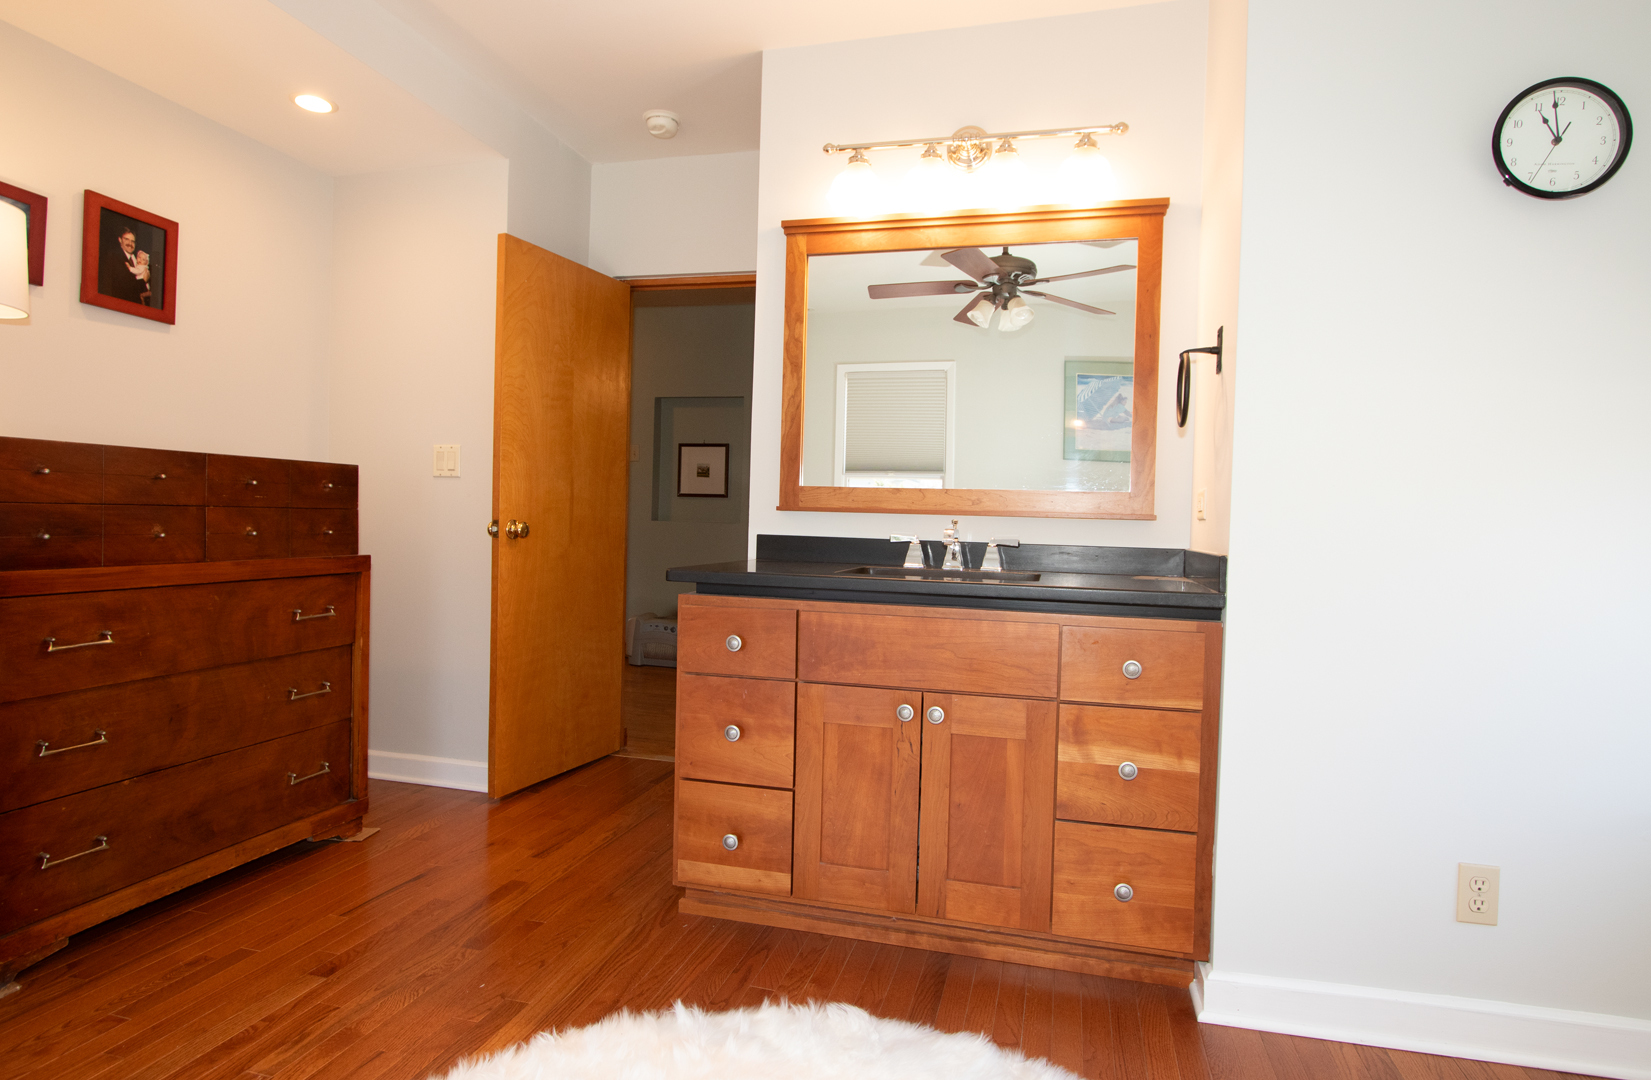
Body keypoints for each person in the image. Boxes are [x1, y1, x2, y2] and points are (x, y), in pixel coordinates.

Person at [98, 224, 151, 305]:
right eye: (126, 239)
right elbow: (123, 285)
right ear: (120, 240)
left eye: (133, 241)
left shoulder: (140, 259)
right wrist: (143, 280)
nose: (130, 243)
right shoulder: (113, 258)